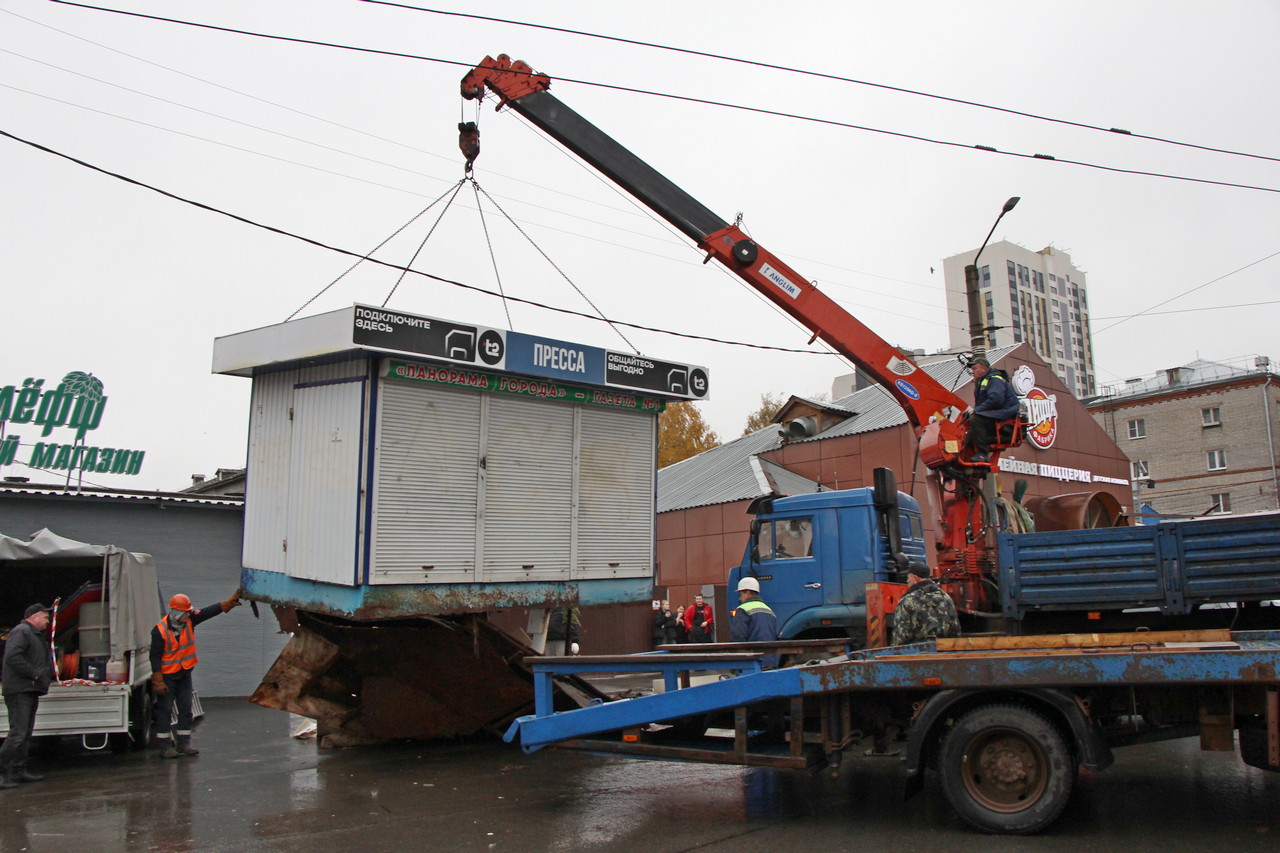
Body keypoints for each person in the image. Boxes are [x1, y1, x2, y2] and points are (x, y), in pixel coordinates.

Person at [151, 590, 242, 759]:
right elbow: (154, 656)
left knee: (186, 709)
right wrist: (158, 680)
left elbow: (207, 612)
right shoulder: (160, 631)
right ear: (176, 612)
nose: (189, 614)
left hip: (184, 673)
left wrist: (226, 604)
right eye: (186, 612)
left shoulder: (190, 620)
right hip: (168, 677)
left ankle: (183, 744)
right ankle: (164, 747)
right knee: (165, 710)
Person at [1, 603, 54, 788]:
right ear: (34, 616)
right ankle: (2, 773)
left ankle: (18, 771)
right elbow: (13, 656)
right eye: (45, 618)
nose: (48, 621)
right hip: (19, 689)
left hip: (30, 689)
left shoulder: (35, 635)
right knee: (18, 733)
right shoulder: (22, 631)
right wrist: (34, 674)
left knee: (26, 733)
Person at [966, 356, 1020, 461]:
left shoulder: (995, 380)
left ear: (984, 369)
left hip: (1004, 414)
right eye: (972, 369)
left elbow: (996, 399)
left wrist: (976, 410)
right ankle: (968, 454)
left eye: (975, 368)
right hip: (997, 413)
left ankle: (982, 453)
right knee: (968, 422)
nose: (972, 372)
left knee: (975, 420)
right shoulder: (983, 381)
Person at [891, 568, 961, 646]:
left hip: (916, 651)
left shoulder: (908, 600)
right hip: (943, 648)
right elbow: (955, 629)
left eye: (908, 578)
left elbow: (901, 634)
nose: (907, 581)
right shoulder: (945, 597)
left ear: (915, 578)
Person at [729, 578, 779, 669]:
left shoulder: (743, 609)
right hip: (770, 662)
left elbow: (738, 637)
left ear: (747, 593)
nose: (739, 598)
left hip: (753, 663)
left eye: (740, 594)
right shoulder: (769, 610)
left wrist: (736, 662)